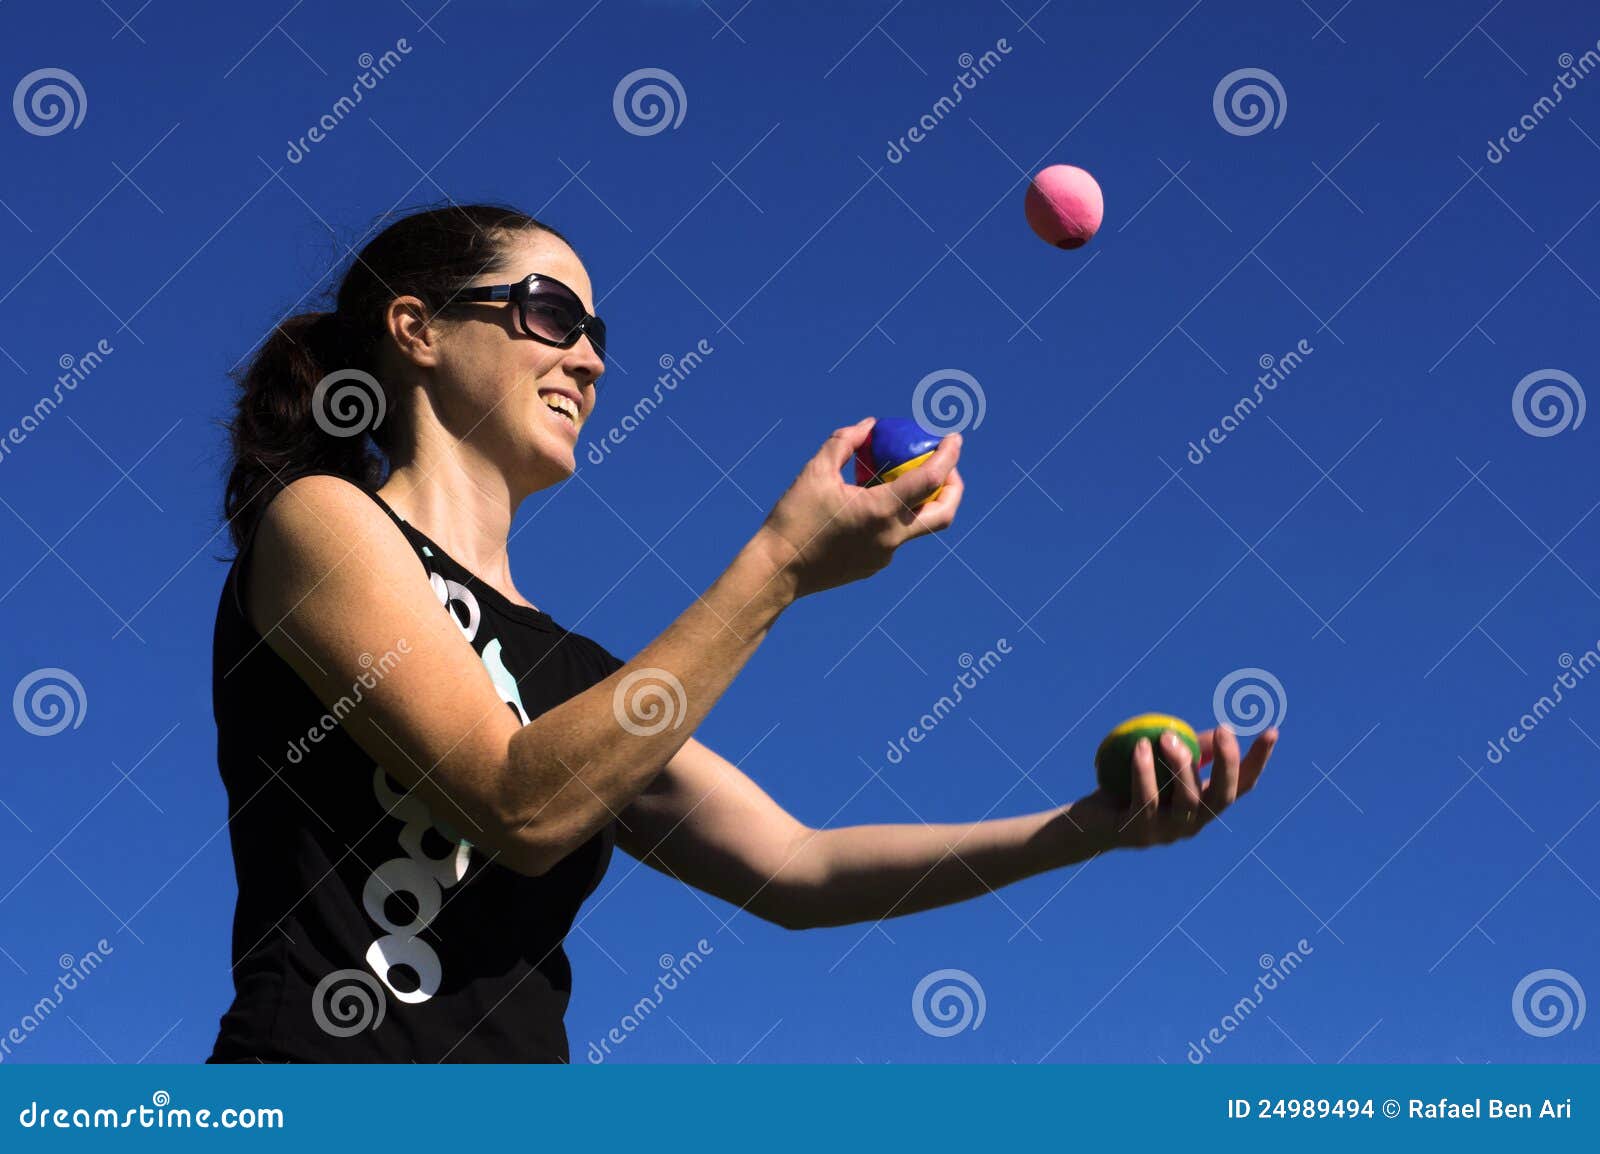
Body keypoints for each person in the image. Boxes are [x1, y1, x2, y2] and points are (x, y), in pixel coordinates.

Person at [209, 202, 1277, 1063]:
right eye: (551, 313)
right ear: (418, 330)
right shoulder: (320, 524)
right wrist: (780, 566)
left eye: (597, 335)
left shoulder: (582, 682)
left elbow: (798, 870)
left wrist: (1090, 827)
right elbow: (516, 799)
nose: (590, 360)